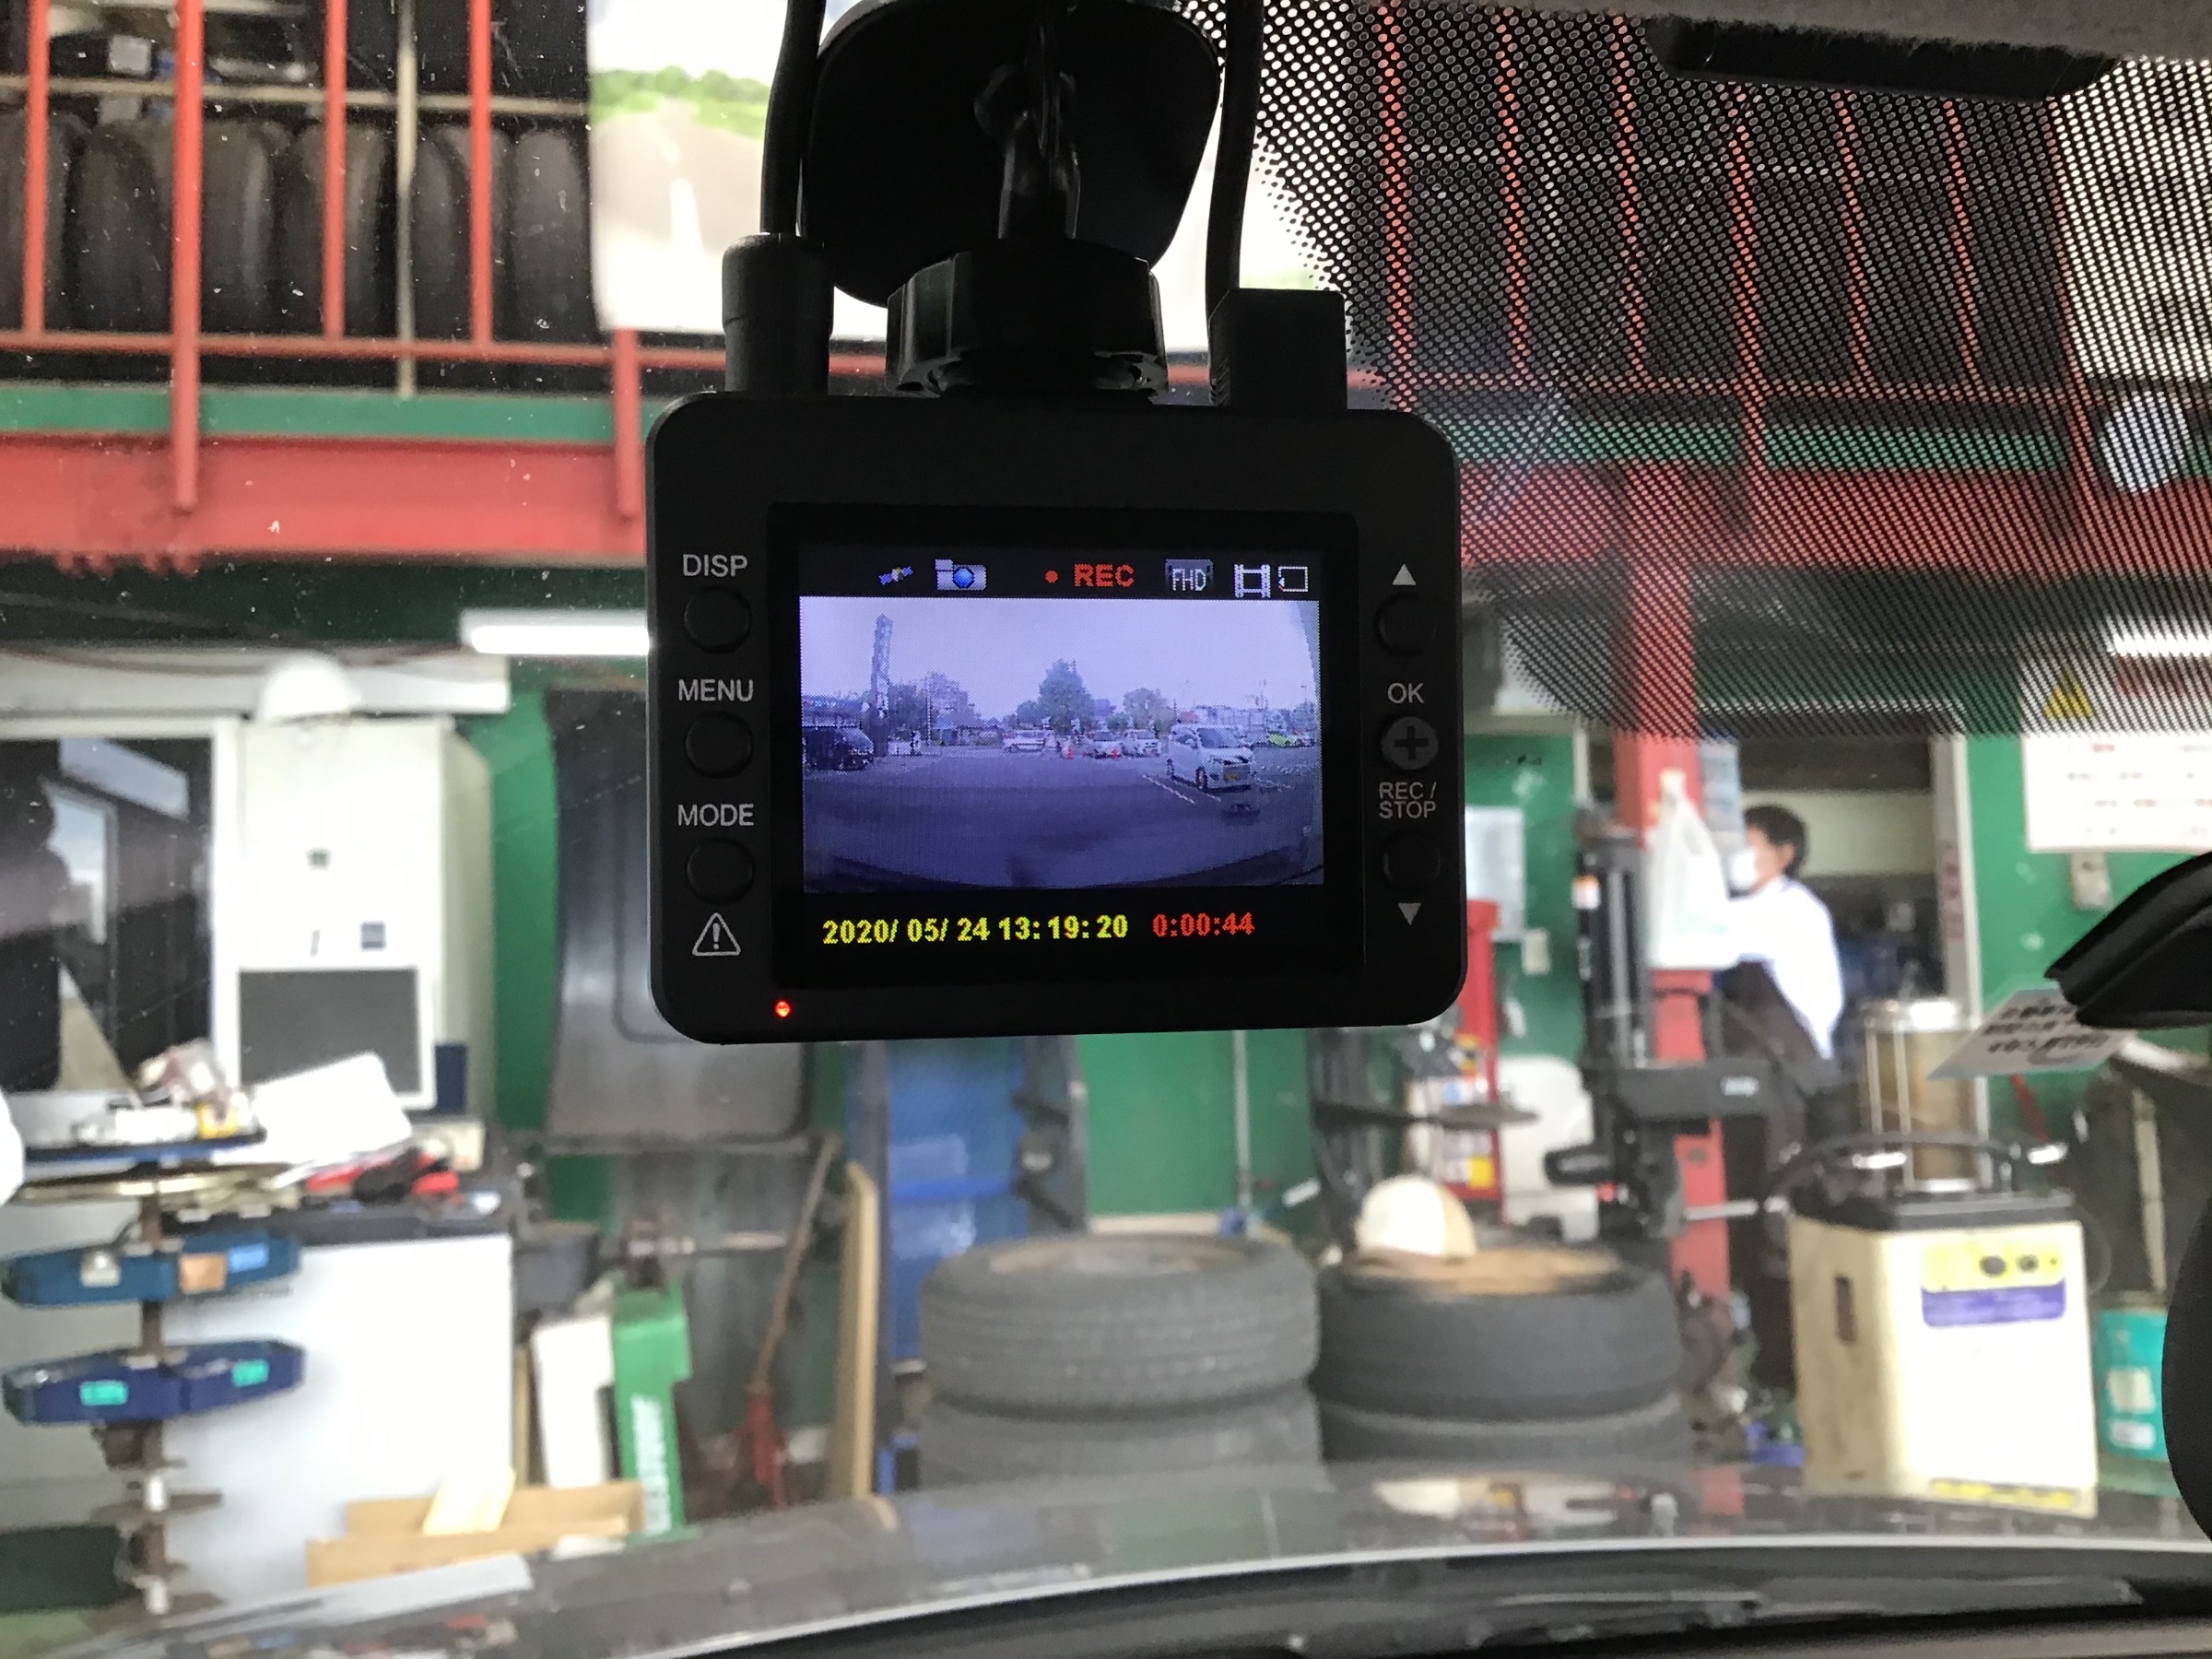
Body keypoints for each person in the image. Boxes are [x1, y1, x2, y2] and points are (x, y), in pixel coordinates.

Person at [1722, 804, 1844, 1062]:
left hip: (1794, 1061)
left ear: (1784, 855)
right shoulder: (1754, 904)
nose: (1735, 857)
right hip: (1770, 1057)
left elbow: (1709, 931)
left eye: (1747, 847)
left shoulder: (1791, 908)